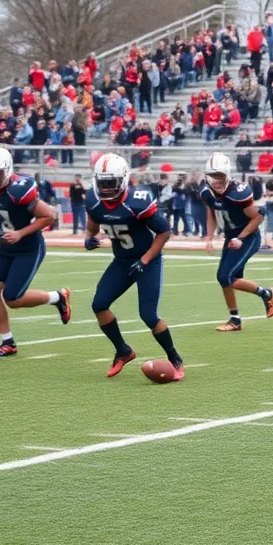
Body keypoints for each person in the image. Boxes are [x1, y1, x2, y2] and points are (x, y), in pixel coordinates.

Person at [84, 153, 183, 379]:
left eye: (112, 182)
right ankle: (123, 350)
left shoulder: (137, 201)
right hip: (122, 260)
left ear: (123, 179)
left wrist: (145, 260)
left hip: (147, 260)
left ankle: (174, 357)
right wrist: (89, 238)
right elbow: (92, 226)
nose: (107, 188)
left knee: (148, 315)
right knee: (99, 304)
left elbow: (164, 231)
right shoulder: (93, 200)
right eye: (103, 182)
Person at [0, 147, 71, 358]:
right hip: (5, 247)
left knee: (13, 298)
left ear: (6, 170)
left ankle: (58, 297)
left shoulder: (19, 189)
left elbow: (48, 216)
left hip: (28, 247)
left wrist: (20, 233)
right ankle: (7, 342)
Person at [201, 152, 273, 331]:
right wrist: (209, 238)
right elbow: (211, 214)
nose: (217, 180)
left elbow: (258, 217)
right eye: (213, 176)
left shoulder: (237, 193)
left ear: (227, 174)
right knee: (231, 279)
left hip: (248, 237)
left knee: (224, 277)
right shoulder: (207, 193)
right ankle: (265, 295)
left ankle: (236, 318)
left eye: (220, 175)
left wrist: (241, 238)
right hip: (231, 238)